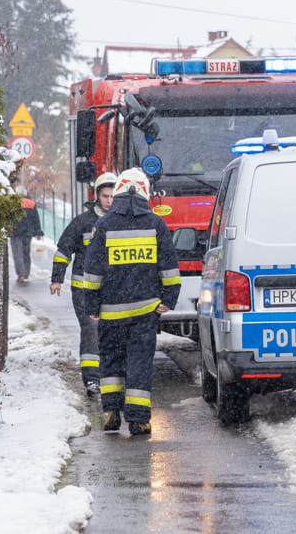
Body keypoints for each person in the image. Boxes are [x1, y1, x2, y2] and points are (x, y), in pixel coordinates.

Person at [82, 168, 181, 436]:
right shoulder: (156, 224)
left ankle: (111, 411)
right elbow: (169, 268)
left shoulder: (104, 225)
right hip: (144, 310)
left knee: (111, 360)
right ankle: (138, 420)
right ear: (145, 192)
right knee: (139, 361)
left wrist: (91, 305)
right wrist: (169, 299)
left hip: (110, 312)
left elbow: (92, 272)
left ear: (118, 192)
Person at [50, 172, 116, 398]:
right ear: (97, 196)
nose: (110, 200)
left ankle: (113, 376)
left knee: (113, 331)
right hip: (85, 291)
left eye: (113, 196)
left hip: (114, 290)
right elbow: (63, 251)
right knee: (91, 330)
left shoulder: (121, 222)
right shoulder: (82, 222)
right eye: (106, 196)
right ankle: (92, 380)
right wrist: (57, 278)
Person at [10, 188, 43, 282]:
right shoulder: (31, 203)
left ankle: (21, 274)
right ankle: (26, 272)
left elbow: (9, 218)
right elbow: (36, 219)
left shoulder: (13, 203)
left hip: (16, 232)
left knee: (18, 254)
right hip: (28, 233)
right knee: (25, 253)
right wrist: (38, 232)